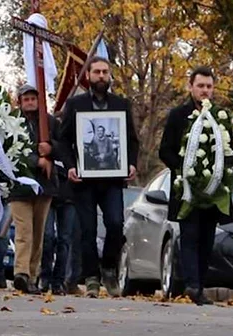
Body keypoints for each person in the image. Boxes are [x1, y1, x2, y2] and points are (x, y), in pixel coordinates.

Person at [59, 56, 139, 298]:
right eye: (97, 72)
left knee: (115, 223)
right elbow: (63, 140)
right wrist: (70, 166)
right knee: (87, 230)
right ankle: (91, 277)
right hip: (84, 181)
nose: (101, 76)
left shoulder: (122, 104)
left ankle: (109, 269)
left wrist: (132, 163)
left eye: (105, 72)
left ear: (110, 76)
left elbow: (131, 140)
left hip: (113, 179)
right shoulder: (75, 105)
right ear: (89, 76)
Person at [159, 66, 233, 305]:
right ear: (190, 87)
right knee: (190, 235)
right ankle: (192, 284)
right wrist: (185, 172)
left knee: (206, 239)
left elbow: (231, 150)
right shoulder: (178, 115)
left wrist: (218, 173)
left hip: (213, 190)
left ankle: (200, 285)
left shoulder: (221, 116)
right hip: (188, 190)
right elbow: (165, 150)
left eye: (209, 86)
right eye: (200, 86)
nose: (204, 91)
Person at [10, 84, 62, 295]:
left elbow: (63, 147)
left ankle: (31, 275)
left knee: (40, 234)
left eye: (33, 99)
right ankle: (20, 272)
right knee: (24, 232)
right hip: (20, 186)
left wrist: (51, 150)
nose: (30, 103)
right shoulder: (13, 123)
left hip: (44, 186)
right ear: (20, 102)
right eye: (26, 99)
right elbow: (12, 151)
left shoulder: (49, 123)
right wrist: (35, 160)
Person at [40, 160, 78, 295]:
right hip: (48, 192)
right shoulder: (46, 143)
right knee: (47, 237)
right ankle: (45, 276)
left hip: (69, 195)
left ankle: (58, 281)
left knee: (65, 239)